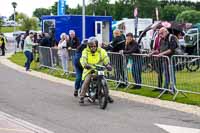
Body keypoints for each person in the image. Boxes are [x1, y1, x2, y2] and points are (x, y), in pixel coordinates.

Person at [79, 37, 113, 104]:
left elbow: (105, 57)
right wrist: (85, 65)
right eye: (91, 46)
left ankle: (106, 95)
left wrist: (108, 65)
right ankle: (82, 96)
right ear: (88, 46)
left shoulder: (101, 51)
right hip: (89, 70)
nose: (93, 48)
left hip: (99, 69)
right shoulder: (85, 51)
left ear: (97, 45)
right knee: (87, 80)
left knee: (104, 80)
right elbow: (83, 59)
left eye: (94, 46)